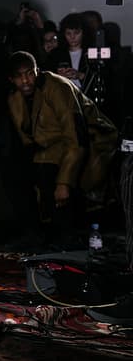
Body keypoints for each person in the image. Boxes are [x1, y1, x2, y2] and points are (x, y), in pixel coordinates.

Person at [6, 51, 118, 248]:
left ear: (37, 71)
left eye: (29, 74)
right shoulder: (15, 97)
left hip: (90, 143)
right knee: (16, 170)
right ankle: (34, 233)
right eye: (19, 76)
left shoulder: (58, 88)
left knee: (49, 173)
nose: (25, 80)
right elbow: (27, 141)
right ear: (11, 79)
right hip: (53, 146)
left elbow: (76, 138)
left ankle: (66, 236)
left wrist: (64, 183)